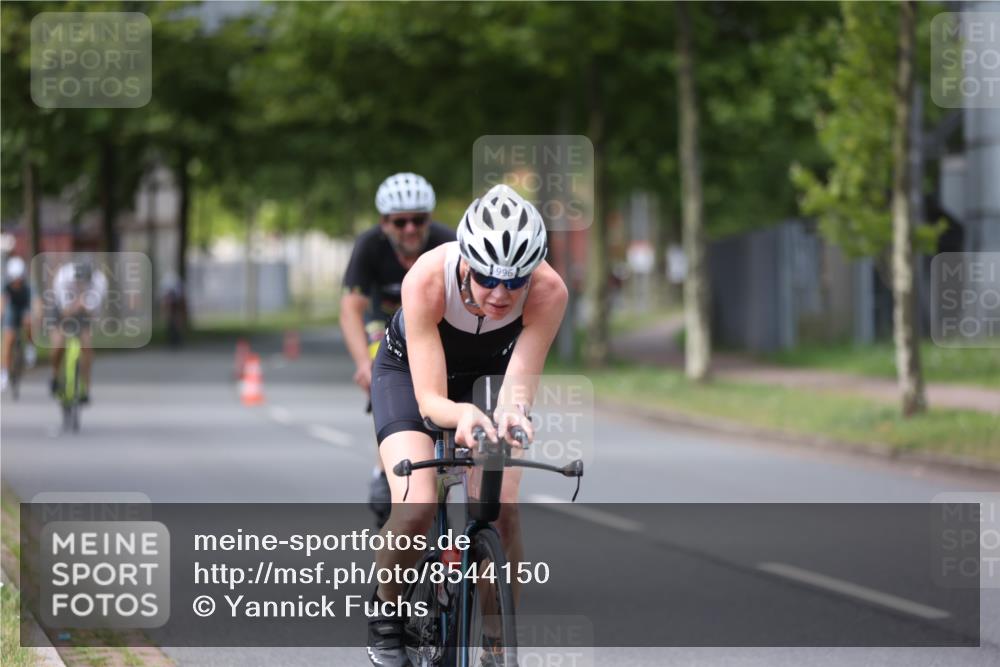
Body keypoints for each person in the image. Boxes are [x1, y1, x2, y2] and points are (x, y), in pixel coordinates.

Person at [366, 185, 567, 667]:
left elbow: (518, 385)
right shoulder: (426, 279)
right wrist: (462, 416)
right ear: (465, 264)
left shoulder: (549, 291)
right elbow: (432, 401)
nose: (500, 294)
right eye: (487, 278)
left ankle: (496, 641)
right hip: (411, 376)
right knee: (416, 506)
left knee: (502, 512)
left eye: (515, 282)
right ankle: (386, 611)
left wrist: (512, 415)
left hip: (488, 381)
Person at [340, 173, 454, 527]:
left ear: (429, 219)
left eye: (418, 220)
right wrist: (363, 363)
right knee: (387, 373)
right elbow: (350, 310)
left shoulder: (446, 242)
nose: (410, 229)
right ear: (384, 223)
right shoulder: (369, 246)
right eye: (399, 222)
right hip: (385, 323)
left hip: (434, 323)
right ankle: (383, 468)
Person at [49, 259, 108, 403]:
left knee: (87, 348)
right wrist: (75, 305)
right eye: (78, 281)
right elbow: (64, 310)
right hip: (62, 309)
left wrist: (84, 306)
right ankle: (55, 376)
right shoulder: (63, 278)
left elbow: (93, 312)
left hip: (84, 312)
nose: (80, 285)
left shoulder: (99, 282)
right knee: (58, 345)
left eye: (84, 282)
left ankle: (85, 388)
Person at [2, 256, 32, 391]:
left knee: (28, 321)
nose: (17, 282)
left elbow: (35, 303)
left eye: (19, 278)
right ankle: (4, 373)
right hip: (12, 310)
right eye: (14, 279)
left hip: (25, 308)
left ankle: (30, 347)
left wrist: (33, 315)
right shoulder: (5, 285)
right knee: (8, 340)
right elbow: (2, 303)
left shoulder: (28, 287)